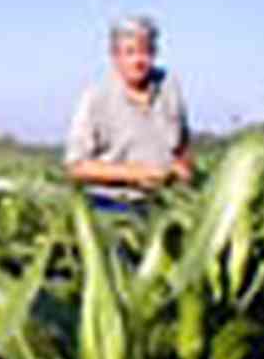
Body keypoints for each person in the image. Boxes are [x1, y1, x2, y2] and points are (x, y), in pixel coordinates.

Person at [63, 14, 192, 213]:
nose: (138, 61)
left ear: (155, 53)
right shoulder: (96, 98)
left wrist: (183, 167)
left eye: (145, 52)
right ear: (115, 57)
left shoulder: (169, 86)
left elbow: (182, 141)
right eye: (129, 52)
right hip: (112, 205)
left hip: (165, 203)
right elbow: (76, 166)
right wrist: (135, 173)